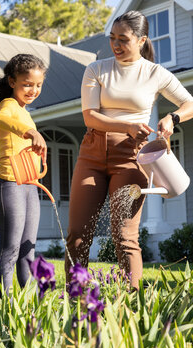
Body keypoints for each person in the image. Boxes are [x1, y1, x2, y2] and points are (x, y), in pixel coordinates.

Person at [65, 11, 193, 290]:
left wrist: (172, 118)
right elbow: (90, 117)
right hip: (92, 154)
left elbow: (189, 103)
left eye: (123, 39)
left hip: (132, 158)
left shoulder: (155, 73)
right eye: (112, 38)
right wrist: (127, 125)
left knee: (124, 235)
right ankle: (75, 302)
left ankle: (131, 304)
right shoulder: (97, 69)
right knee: (77, 234)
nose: (116, 45)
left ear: (142, 40)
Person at [0, 53, 47, 293]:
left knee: (27, 249)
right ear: (12, 82)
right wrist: (30, 132)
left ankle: (31, 301)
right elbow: (2, 119)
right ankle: (6, 303)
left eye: (38, 85)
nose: (33, 90)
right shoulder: (9, 105)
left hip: (28, 184)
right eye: (27, 84)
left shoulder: (25, 110)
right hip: (7, 185)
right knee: (10, 247)